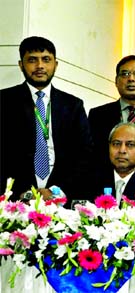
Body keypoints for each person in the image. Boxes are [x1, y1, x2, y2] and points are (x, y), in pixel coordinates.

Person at [0, 36, 93, 199]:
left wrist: (57, 191)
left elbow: (85, 154)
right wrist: (18, 194)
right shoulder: (4, 101)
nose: (40, 66)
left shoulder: (73, 106)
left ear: (55, 65)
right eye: (32, 60)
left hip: (60, 198)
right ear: (21, 65)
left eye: (46, 59)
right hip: (14, 199)